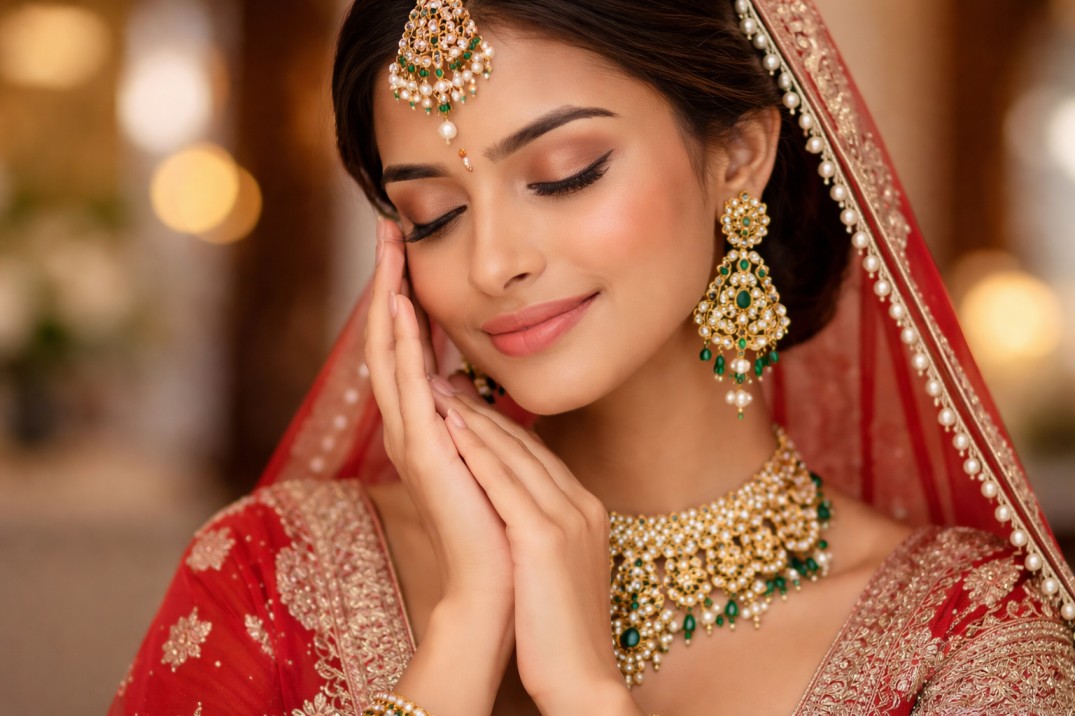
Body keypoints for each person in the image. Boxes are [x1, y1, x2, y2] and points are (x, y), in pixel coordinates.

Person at [109, 0, 1075, 714]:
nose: (491, 262)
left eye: (565, 174)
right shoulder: (273, 574)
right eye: (431, 215)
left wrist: (583, 693)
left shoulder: (971, 645)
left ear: (738, 154)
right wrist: (460, 632)